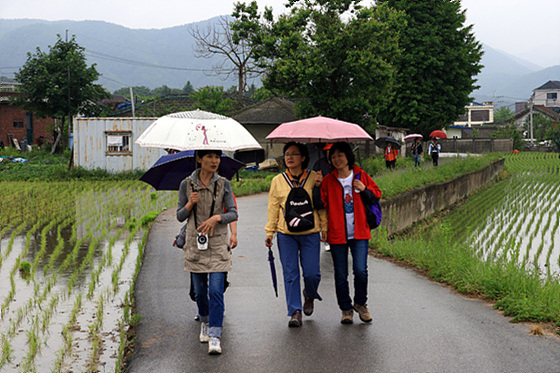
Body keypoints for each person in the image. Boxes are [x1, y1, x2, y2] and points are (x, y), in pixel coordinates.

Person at [177, 149, 238, 355]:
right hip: (196, 243)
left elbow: (233, 212)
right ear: (199, 159)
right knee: (200, 293)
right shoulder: (186, 184)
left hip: (218, 243)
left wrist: (217, 218)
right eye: (210, 157)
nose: (215, 161)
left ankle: (215, 334)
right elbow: (179, 215)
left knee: (216, 290)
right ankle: (204, 319)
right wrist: (190, 203)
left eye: (217, 157)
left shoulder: (223, 184)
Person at [315, 142, 382, 324]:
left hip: (360, 232)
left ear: (347, 157)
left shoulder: (360, 175)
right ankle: (346, 309)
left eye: (340, 155)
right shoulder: (328, 180)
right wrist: (317, 186)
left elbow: (377, 194)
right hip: (337, 233)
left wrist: (364, 189)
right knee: (340, 274)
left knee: (361, 271)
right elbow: (321, 203)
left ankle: (361, 304)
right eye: (333, 156)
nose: (336, 159)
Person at [265, 141, 327, 327]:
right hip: (286, 234)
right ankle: (295, 311)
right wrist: (270, 232)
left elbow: (320, 204)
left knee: (312, 273)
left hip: (310, 233)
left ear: (303, 157)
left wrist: (325, 226)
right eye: (287, 154)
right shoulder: (277, 180)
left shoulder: (314, 177)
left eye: (294, 154)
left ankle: (309, 294)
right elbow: (273, 207)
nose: (289, 157)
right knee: (290, 273)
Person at [313, 143, 333, 252]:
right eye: (328, 152)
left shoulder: (338, 164)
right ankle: (327, 240)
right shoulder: (319, 164)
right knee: (325, 217)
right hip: (323, 196)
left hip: (335, 196)